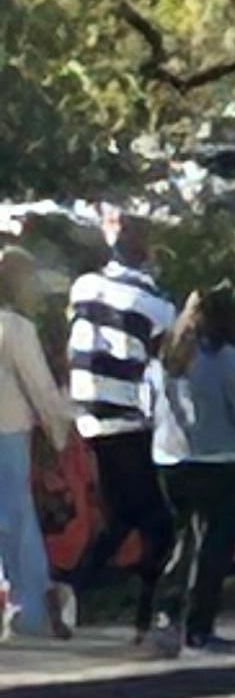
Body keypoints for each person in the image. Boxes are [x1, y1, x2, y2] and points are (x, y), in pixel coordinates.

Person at [142, 290, 235, 661]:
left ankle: (165, 614)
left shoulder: (166, 357)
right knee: (214, 545)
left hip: (169, 459)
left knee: (184, 539)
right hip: (217, 459)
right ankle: (199, 628)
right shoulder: (227, 359)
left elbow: (146, 405)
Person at [62, 212, 178, 641]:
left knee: (123, 516)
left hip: (89, 416)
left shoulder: (84, 288)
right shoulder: (158, 305)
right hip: (130, 419)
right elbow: (166, 362)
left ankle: (74, 590)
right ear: (146, 251)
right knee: (157, 522)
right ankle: (150, 614)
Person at [0, 247, 79, 649]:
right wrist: (61, 424)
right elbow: (40, 386)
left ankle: (18, 601)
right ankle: (29, 608)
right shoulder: (15, 327)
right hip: (9, 429)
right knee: (18, 519)